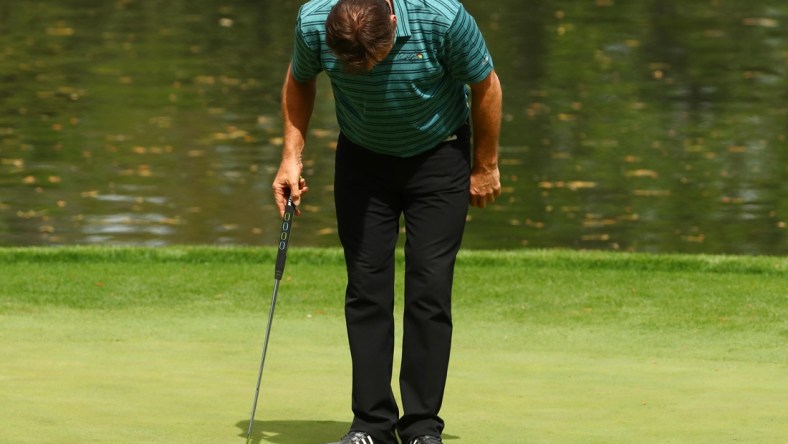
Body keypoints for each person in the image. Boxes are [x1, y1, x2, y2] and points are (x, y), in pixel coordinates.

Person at [272, 0, 502, 443]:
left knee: (429, 288)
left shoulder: (442, 17)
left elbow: (486, 85)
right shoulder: (313, 20)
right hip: (362, 160)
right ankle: (372, 425)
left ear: (393, 22)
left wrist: (485, 165)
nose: (364, 73)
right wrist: (290, 157)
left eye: (373, 60)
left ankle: (421, 427)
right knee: (365, 287)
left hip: (440, 153)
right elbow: (299, 80)